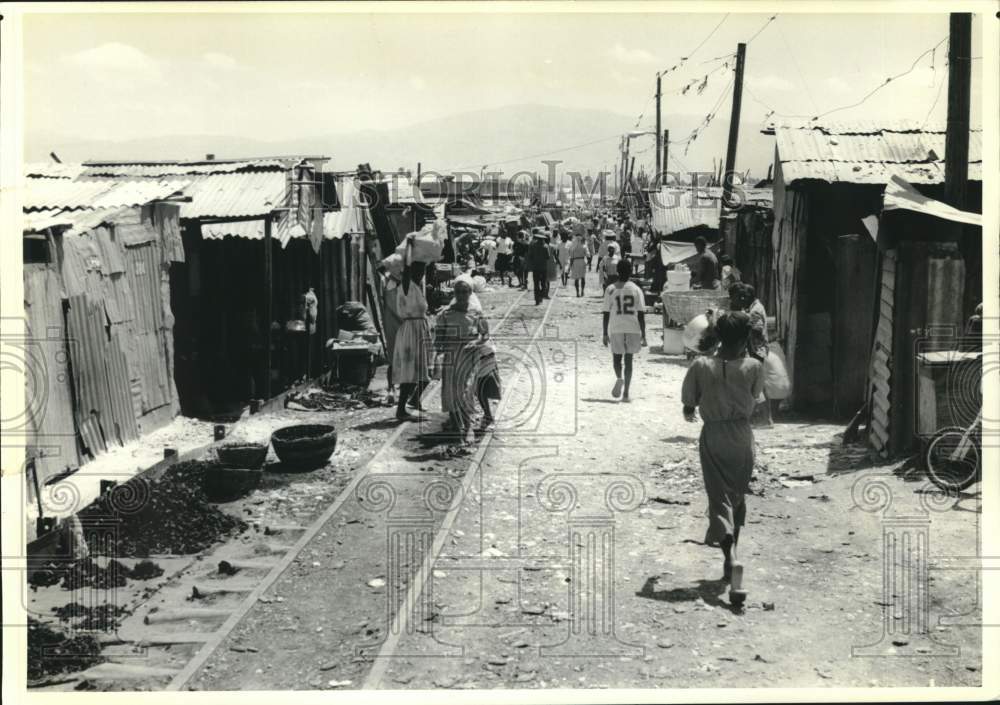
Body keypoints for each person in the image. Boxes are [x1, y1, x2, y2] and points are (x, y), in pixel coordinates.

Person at [681, 311, 764, 605]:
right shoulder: (754, 366)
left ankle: (730, 557)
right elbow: (757, 399)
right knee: (737, 497)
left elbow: (688, 405)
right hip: (742, 437)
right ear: (745, 338)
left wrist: (694, 408)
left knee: (718, 499)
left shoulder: (700, 365)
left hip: (713, 436)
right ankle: (732, 560)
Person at [433, 279, 489, 441]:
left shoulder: (476, 312)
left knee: (466, 389)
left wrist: (475, 342)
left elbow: (485, 335)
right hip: (451, 354)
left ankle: (468, 427)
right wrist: (435, 358)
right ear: (454, 293)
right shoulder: (445, 314)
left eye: (465, 292)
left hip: (469, 354)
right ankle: (457, 427)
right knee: (451, 390)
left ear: (470, 293)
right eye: (458, 292)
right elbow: (438, 339)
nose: (461, 295)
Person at [393, 255, 433, 422]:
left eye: (423, 270)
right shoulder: (406, 285)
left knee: (426, 369)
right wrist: (410, 249)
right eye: (418, 269)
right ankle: (401, 410)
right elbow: (407, 270)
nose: (421, 273)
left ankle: (414, 399)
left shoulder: (418, 287)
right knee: (410, 370)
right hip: (411, 331)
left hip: (421, 329)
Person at [602, 258, 647, 402]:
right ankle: (626, 393)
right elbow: (641, 314)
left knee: (616, 358)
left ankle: (619, 378)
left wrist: (604, 333)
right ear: (630, 271)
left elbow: (606, 313)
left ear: (617, 271)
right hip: (633, 327)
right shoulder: (636, 289)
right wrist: (644, 334)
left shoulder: (610, 289)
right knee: (629, 361)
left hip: (616, 327)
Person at [730, 283, 772, 427]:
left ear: (745, 297)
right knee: (758, 384)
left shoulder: (754, 311)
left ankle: (764, 419)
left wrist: (743, 324)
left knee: (756, 385)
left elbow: (757, 329)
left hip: (756, 350)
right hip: (758, 349)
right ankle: (764, 418)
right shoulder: (756, 307)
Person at [378, 254, 404, 405]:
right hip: (393, 322)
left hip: (402, 321)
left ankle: (399, 389)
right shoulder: (387, 281)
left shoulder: (403, 281)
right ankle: (392, 389)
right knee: (394, 356)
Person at [526, 231, 552, 305]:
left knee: (536, 284)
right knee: (543, 284)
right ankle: (540, 296)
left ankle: (537, 299)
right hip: (543, 267)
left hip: (535, 267)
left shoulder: (533, 245)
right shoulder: (546, 246)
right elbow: (548, 257)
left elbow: (530, 256)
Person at [568, 232, 590, 297]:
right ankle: (582, 291)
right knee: (583, 277)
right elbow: (588, 255)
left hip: (575, 262)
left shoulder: (572, 247)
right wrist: (589, 263)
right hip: (582, 261)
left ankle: (577, 292)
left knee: (576, 278)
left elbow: (571, 257)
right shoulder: (584, 245)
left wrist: (570, 266)